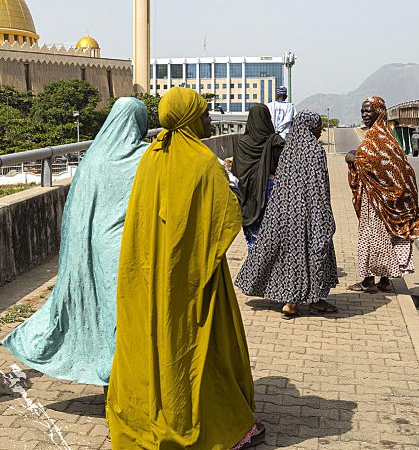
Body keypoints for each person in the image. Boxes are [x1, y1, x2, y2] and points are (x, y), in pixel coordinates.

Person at [108, 87, 264, 449]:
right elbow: (225, 219)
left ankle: (152, 415)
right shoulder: (202, 162)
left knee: (160, 341)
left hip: (154, 275)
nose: (209, 119)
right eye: (205, 113)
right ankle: (217, 424)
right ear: (191, 119)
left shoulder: (151, 157)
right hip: (197, 278)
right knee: (204, 349)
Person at [1, 98, 149, 387]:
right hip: (127, 246)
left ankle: (112, 369)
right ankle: (121, 372)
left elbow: (76, 211)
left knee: (104, 308)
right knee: (126, 311)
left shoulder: (94, 157)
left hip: (95, 245)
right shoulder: (144, 157)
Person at [235, 111, 338, 318]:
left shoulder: (289, 149)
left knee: (291, 256)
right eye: (318, 126)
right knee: (316, 253)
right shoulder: (315, 149)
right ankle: (317, 300)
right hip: (309, 212)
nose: (320, 130)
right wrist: (324, 215)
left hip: (284, 213)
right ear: (309, 126)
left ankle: (291, 302)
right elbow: (319, 185)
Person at [345, 96, 419, 293]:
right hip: (384, 197)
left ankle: (368, 282)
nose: (364, 114)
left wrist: (351, 158)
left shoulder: (376, 136)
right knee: (385, 235)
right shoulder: (388, 136)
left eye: (368, 111)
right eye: (362, 111)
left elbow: (370, 162)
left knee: (370, 235)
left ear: (379, 112)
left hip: (375, 199)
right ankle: (384, 280)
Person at [232, 105, 285, 250]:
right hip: (272, 194)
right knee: (274, 241)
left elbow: (236, 173)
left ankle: (255, 269)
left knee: (253, 243)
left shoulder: (242, 143)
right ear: (268, 119)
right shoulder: (276, 142)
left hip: (248, 198)